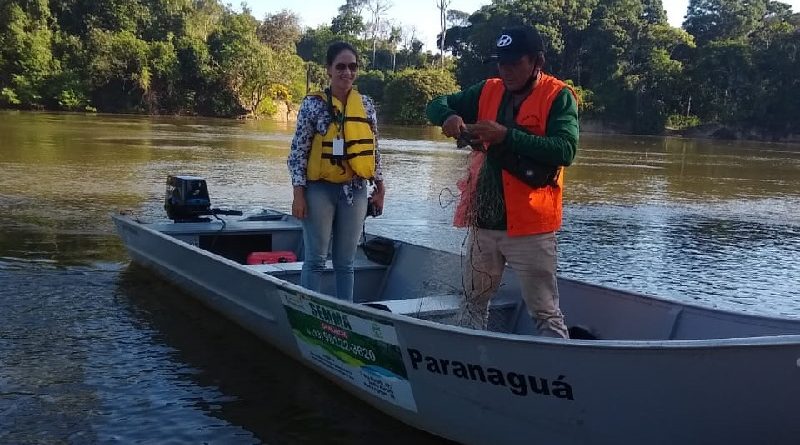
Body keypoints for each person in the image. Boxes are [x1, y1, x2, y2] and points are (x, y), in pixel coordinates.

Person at [426, 25, 578, 338]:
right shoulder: (488, 89)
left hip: (531, 227)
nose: (505, 70)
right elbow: (437, 103)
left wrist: (507, 136)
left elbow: (565, 150)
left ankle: (559, 373)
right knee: (472, 303)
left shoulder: (558, 96)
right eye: (501, 63)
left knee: (545, 312)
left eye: (514, 63)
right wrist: (448, 117)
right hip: (485, 221)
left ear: (537, 61)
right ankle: (472, 367)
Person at [287, 41, 386, 301]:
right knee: (316, 260)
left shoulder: (365, 105)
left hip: (355, 190)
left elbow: (374, 149)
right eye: (340, 66)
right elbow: (298, 152)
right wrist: (299, 195)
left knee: (346, 262)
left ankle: (347, 313)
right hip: (319, 189)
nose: (347, 72)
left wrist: (380, 188)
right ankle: (308, 309)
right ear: (328, 69)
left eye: (352, 67)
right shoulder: (312, 105)